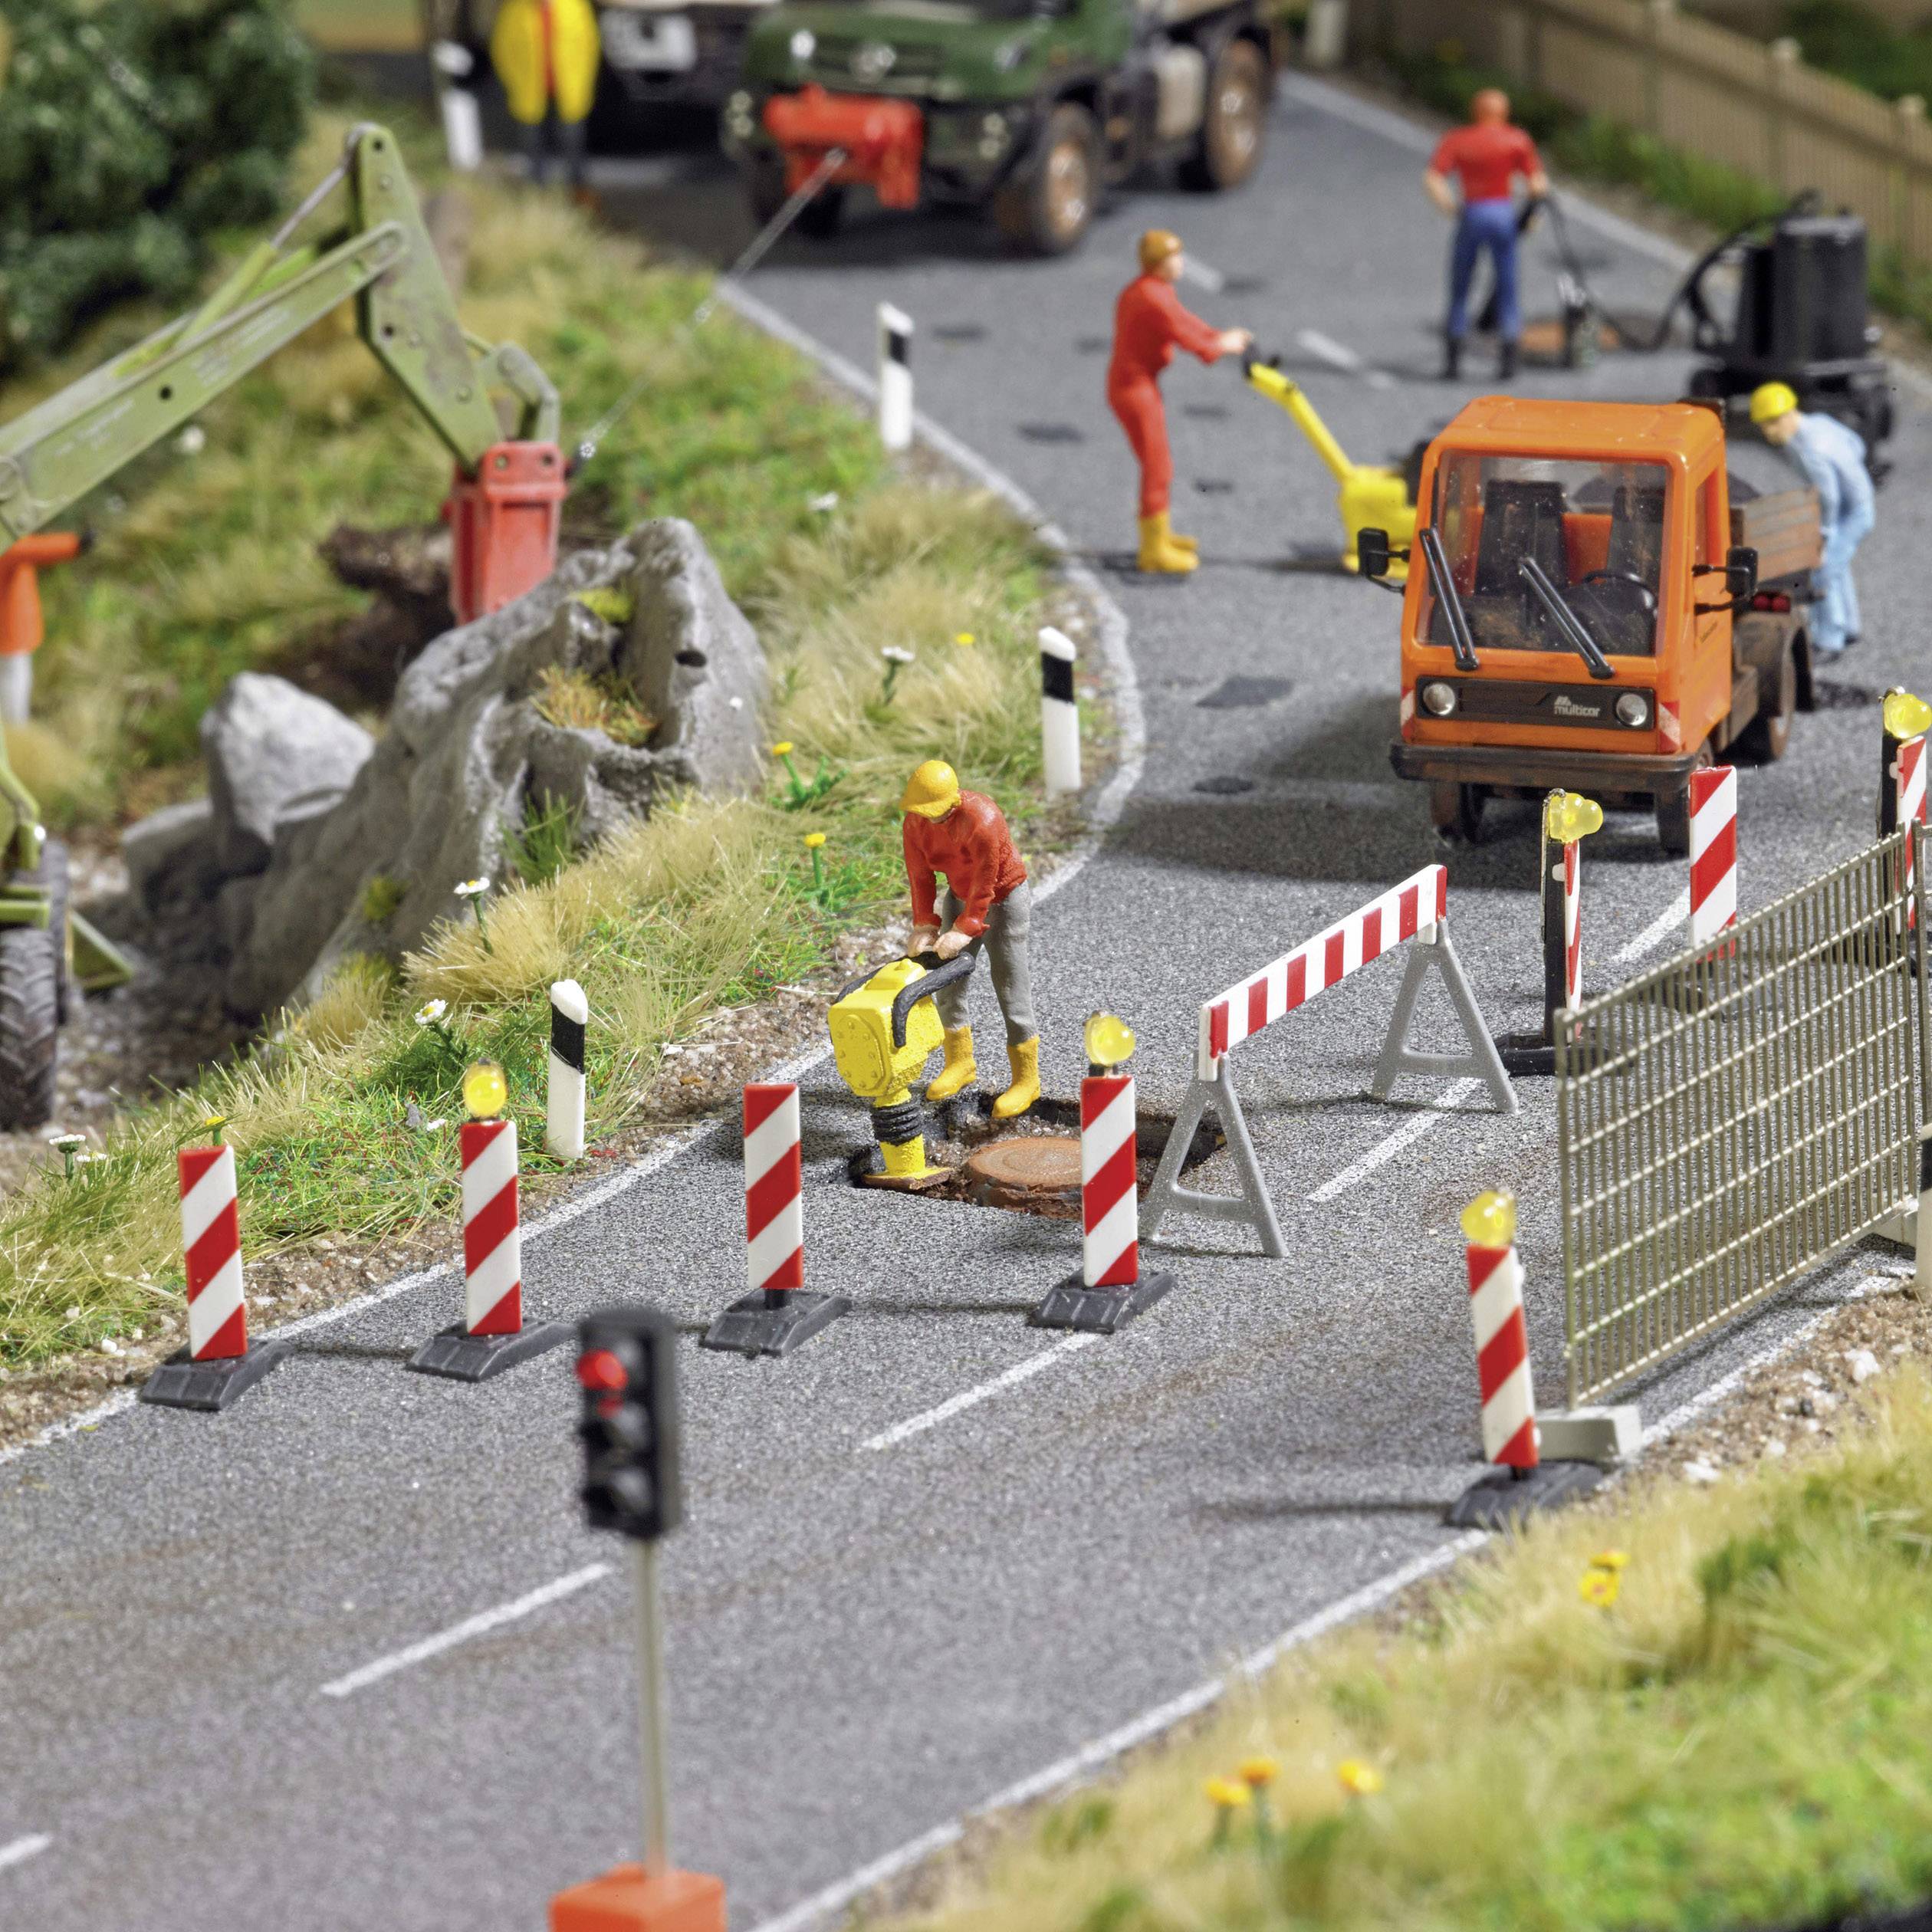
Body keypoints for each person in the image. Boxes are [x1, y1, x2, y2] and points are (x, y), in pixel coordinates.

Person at [901, 759, 1040, 1119]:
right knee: (947, 982)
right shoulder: (915, 822)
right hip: (960, 896)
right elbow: (920, 875)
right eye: (921, 811)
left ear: (953, 800)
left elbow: (986, 880)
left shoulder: (983, 819)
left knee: (1010, 985)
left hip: (1003, 898)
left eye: (936, 811)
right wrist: (924, 925)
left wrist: (963, 930)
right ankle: (960, 1062)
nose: (929, 818)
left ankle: (1027, 1078)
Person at [1108, 229, 1252, 575]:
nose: (1181, 262)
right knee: (1158, 466)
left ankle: (1160, 537)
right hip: (1135, 389)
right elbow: (1184, 334)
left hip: (1138, 385)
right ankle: (1153, 550)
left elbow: (1186, 320)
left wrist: (1217, 335)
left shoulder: (1151, 290)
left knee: (1158, 464)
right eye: (1175, 257)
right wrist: (1219, 346)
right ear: (1158, 263)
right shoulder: (1151, 297)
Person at [1424, 89, 1549, 380]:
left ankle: (1454, 357)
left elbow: (1433, 178)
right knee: (1507, 284)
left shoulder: (1458, 139)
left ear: (1475, 111)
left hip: (1473, 211)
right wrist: (1530, 217)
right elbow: (1537, 185)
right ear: (1503, 113)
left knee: (1461, 283)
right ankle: (1507, 357)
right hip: (1502, 213)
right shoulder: (1517, 140)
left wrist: (1450, 206)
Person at [1753, 381, 1874, 656]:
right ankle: (1850, 627)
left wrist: (1825, 534)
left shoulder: (1810, 450)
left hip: (1851, 513)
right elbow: (1856, 445)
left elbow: (1829, 498)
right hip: (1857, 504)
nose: (1768, 432)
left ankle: (1829, 641)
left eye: (1771, 424)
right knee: (1839, 567)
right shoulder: (1819, 422)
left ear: (1786, 416)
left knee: (1822, 573)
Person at [489, 0, 600, 198]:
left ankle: (578, 190)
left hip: (568, 88)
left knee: (572, 139)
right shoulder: (516, 10)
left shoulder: (575, 7)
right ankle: (537, 193)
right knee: (532, 142)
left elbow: (589, 46)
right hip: (530, 89)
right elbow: (502, 49)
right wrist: (514, 82)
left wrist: (583, 82)